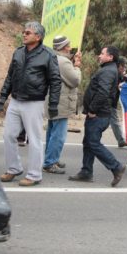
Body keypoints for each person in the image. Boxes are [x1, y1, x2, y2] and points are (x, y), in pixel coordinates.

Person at [0, 22, 61, 186]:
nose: (24, 35)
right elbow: (10, 77)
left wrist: (53, 105)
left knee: (34, 139)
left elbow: (55, 81)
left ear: (38, 37)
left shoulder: (48, 55)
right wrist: (3, 97)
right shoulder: (18, 53)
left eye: (28, 33)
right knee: (8, 135)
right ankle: (13, 168)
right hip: (16, 100)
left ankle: (34, 175)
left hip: (34, 102)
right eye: (24, 32)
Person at [68, 46, 125, 187]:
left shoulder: (108, 71)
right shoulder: (109, 69)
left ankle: (116, 166)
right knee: (88, 142)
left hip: (98, 114)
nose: (99, 56)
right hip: (98, 113)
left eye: (102, 53)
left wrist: (92, 109)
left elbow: (102, 92)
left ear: (110, 57)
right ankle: (86, 172)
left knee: (93, 143)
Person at [43, 35, 81, 175]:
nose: (70, 47)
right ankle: (50, 162)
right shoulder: (64, 62)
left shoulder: (51, 58)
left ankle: (51, 158)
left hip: (53, 101)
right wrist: (76, 66)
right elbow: (75, 80)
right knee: (58, 135)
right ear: (64, 47)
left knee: (52, 133)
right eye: (68, 45)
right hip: (61, 102)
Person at [110, 57, 127, 148]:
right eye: (123, 66)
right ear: (118, 66)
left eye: (126, 67)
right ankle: (121, 140)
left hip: (112, 102)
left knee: (109, 121)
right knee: (114, 121)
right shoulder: (113, 74)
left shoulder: (120, 75)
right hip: (107, 102)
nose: (124, 69)